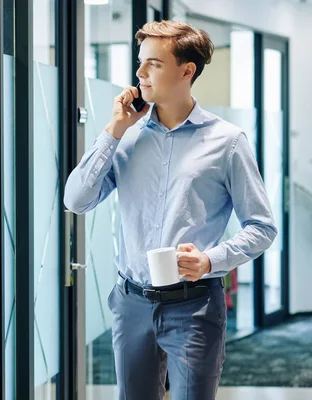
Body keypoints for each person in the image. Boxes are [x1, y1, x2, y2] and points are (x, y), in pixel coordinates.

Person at [64, 21, 277, 400]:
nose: (140, 73)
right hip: (131, 304)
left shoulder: (227, 142)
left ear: (186, 70)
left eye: (153, 64)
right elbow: (76, 200)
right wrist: (112, 130)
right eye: (140, 62)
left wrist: (210, 260)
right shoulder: (125, 136)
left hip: (194, 306)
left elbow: (261, 226)